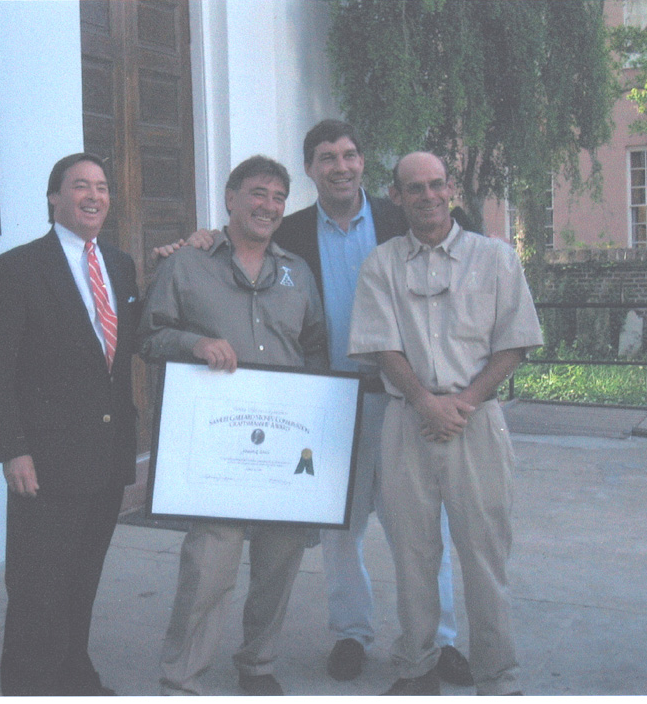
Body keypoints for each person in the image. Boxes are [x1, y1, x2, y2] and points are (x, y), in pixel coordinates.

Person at [155, 120, 471, 686]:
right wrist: (198, 239)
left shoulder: (401, 217)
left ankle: (438, 639)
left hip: (405, 401)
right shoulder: (292, 233)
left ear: (364, 164)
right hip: (324, 404)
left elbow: (460, 251)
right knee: (337, 529)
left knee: (420, 528)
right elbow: (241, 248)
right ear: (312, 168)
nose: (341, 166)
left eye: (350, 155)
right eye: (327, 157)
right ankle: (351, 632)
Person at [348, 151, 543, 696]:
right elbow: (381, 344)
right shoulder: (382, 264)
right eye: (415, 188)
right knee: (413, 554)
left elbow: (516, 342)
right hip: (407, 420)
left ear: (450, 188)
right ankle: (417, 668)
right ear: (397, 196)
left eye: (436, 185)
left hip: (477, 422)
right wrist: (424, 402)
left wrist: (464, 402)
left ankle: (496, 674)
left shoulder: (496, 259)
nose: (428, 196)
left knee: (484, 553)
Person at [139, 155, 327, 696]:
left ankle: (258, 663)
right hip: (217, 448)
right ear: (229, 197)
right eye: (258, 193)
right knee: (208, 569)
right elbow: (149, 337)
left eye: (277, 197)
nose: (268, 206)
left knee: (279, 560)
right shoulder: (188, 264)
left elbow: (314, 347)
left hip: (284, 445)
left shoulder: (296, 271)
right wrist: (194, 344)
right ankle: (182, 677)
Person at [0, 153, 140, 696]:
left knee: (82, 579)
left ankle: (74, 671)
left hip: (105, 455)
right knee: (36, 587)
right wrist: (12, 450)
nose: (93, 195)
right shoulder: (19, 268)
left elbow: (121, 353)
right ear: (55, 198)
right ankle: (27, 685)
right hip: (44, 462)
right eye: (79, 186)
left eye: (101, 186)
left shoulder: (120, 265)